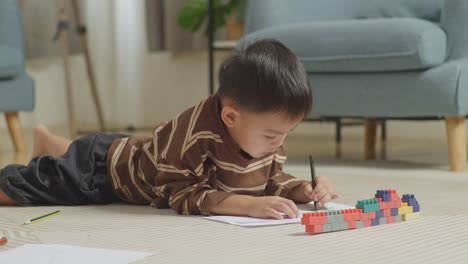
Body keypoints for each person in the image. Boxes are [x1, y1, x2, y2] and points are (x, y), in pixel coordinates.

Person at [0, 39, 338, 219]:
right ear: (231, 118)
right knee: (27, 188)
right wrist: (247, 206)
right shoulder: (195, 136)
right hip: (103, 172)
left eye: (286, 134)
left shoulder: (262, 134)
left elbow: (268, 179)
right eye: (272, 136)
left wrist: (302, 190)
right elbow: (182, 195)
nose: (279, 144)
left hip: (133, 150)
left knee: (118, 146)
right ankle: (54, 152)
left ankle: (50, 142)